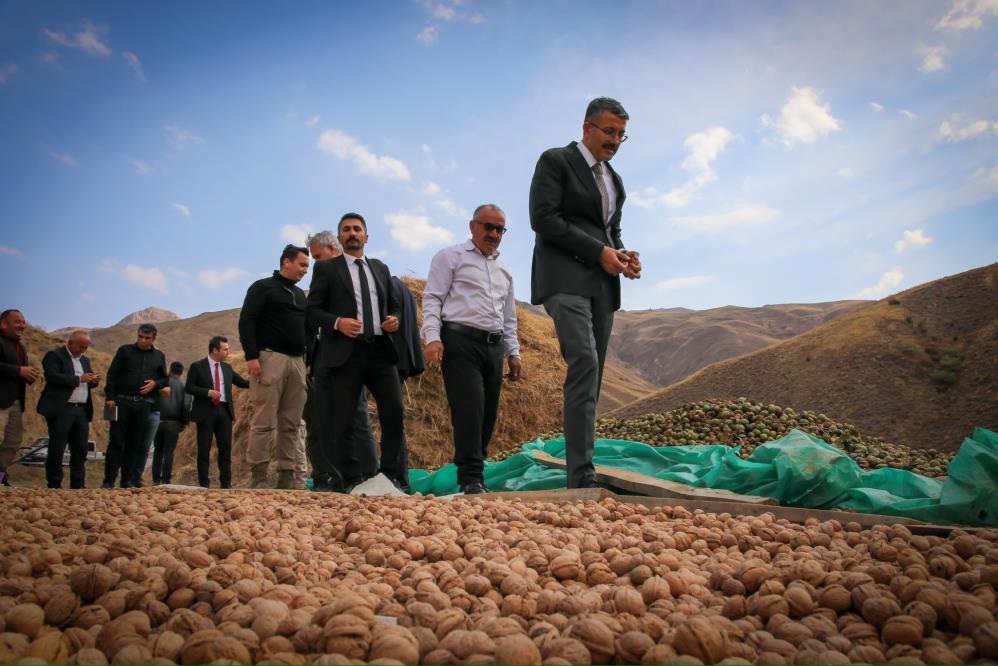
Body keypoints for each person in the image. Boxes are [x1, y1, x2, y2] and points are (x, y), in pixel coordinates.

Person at [529, 96, 642, 488]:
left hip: (601, 287)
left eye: (621, 135)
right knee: (584, 363)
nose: (614, 140)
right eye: (609, 131)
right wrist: (599, 252)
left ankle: (584, 467)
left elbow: (611, 232)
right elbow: (542, 218)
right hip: (563, 281)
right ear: (587, 128)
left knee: (592, 379)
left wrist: (623, 257)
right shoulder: (555, 161)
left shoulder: (616, 182)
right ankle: (581, 476)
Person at [422, 204, 522, 494]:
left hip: (493, 346)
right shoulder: (449, 257)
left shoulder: (504, 272)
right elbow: (432, 298)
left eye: (499, 229)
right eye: (488, 226)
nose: (493, 233)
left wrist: (513, 352)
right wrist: (432, 337)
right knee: (470, 409)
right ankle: (470, 478)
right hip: (459, 342)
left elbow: (509, 316)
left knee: (488, 412)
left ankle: (476, 472)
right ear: (472, 226)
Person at [306, 213, 406, 493]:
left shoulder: (380, 268)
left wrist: (393, 320)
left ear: (366, 236)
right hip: (345, 353)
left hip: (380, 352)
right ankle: (351, 479)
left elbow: (395, 306)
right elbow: (312, 310)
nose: (352, 233)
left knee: (394, 413)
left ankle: (390, 475)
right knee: (345, 419)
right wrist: (338, 323)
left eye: (357, 229)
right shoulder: (327, 270)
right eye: (347, 230)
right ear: (339, 238)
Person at [305, 231, 377, 492]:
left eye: (318, 256)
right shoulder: (323, 278)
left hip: (350, 356)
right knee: (324, 419)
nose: (315, 262)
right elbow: (312, 316)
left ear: (334, 250)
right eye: (313, 258)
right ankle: (333, 476)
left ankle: (367, 475)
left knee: (356, 417)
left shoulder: (354, 279)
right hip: (325, 357)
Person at [238, 244, 309, 489]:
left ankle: (286, 476)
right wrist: (251, 356)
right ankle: (258, 477)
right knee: (264, 421)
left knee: (291, 422)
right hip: (269, 359)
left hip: (297, 362)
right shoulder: (262, 288)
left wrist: (306, 362)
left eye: (308, 266)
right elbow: (247, 321)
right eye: (302, 265)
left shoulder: (300, 295)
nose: (305, 270)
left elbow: (307, 329)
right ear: (286, 262)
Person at [102, 323, 169, 488]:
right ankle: (109, 481)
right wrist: (110, 397)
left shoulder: (159, 356)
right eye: (140, 337)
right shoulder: (124, 351)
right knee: (117, 441)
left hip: (143, 405)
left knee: (135, 443)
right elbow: (112, 374)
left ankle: (127, 481)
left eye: (147, 338)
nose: (143, 340)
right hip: (122, 401)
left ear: (154, 339)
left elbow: (164, 379)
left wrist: (155, 383)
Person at [37, 330, 101, 489]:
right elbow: (52, 376)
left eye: (86, 347)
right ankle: (54, 483)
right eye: (81, 346)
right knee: (57, 447)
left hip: (81, 410)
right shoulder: (55, 356)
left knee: (80, 449)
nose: (83, 350)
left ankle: (78, 484)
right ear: (70, 342)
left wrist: (94, 380)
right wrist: (79, 379)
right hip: (62, 408)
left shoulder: (85, 360)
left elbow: (87, 382)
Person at [186, 336, 249, 488]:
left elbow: (242, 382)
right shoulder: (197, 366)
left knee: (225, 448)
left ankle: (226, 484)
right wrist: (208, 392)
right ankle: (203, 484)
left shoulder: (227, 368)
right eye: (225, 349)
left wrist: (259, 379)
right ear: (215, 350)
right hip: (205, 412)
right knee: (204, 449)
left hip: (224, 412)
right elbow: (189, 387)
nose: (228, 352)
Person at [0, 310, 40, 485]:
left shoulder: (21, 347)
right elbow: (14, 369)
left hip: (16, 401)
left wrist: (29, 374)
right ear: (3, 324)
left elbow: (20, 371)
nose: (22, 325)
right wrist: (18, 371)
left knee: (13, 442)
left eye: (23, 322)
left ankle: (0, 477)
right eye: (17, 322)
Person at [152, 361, 187, 485]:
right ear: (181, 372)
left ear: (170, 370)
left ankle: (155, 479)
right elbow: (186, 405)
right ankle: (166, 479)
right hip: (174, 422)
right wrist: (184, 422)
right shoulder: (183, 385)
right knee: (169, 452)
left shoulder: (161, 383)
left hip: (158, 420)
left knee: (158, 451)